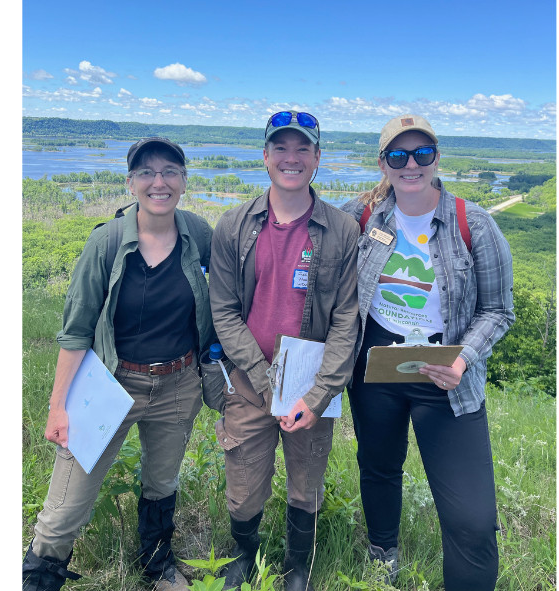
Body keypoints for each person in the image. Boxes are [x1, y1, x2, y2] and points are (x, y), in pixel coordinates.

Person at [22, 137, 215, 591]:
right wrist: (58, 406)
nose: (159, 182)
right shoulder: (106, 243)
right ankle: (39, 577)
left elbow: (226, 296)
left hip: (178, 382)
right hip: (110, 384)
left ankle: (156, 564)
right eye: (146, 172)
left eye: (170, 171)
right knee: (67, 503)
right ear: (130, 182)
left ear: (184, 180)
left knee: (162, 481)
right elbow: (75, 332)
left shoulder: (198, 234)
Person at [339, 114, 515, 591]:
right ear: (383, 163)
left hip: (447, 373)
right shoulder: (364, 215)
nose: (410, 164)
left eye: (422, 154)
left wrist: (462, 360)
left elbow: (499, 310)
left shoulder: (472, 223)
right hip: (376, 365)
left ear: (437, 158)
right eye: (398, 155)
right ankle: (382, 556)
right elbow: (307, 224)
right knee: (378, 467)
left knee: (472, 518)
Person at [208, 111, 360, 591]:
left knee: (306, 483)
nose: (290, 158)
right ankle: (245, 559)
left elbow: (345, 320)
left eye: (302, 149)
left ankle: (298, 569)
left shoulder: (341, 230)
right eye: (281, 148)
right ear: (266, 156)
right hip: (250, 382)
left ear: (317, 157)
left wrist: (315, 395)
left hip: (313, 386)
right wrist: (264, 377)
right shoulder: (234, 225)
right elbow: (224, 311)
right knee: (244, 486)